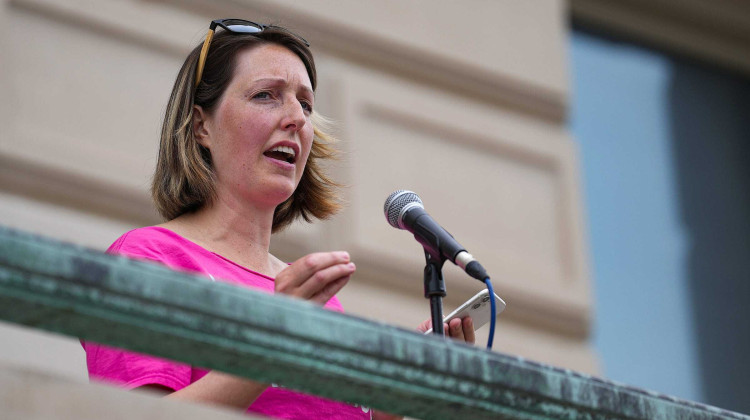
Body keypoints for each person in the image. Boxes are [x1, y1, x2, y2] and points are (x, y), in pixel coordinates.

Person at [82, 18, 474, 419]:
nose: (298, 119)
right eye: (266, 95)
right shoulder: (149, 257)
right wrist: (273, 342)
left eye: (305, 104)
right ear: (201, 125)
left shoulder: (316, 298)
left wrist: (403, 399)